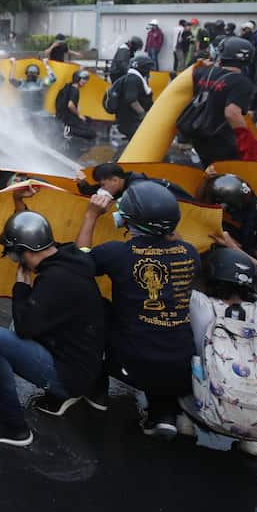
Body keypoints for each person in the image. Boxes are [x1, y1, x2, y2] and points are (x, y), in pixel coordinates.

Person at [0, 210, 107, 446]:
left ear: (28, 252)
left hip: (69, 377)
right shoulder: (68, 258)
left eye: (15, 255)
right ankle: (61, 395)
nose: (16, 260)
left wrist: (21, 287)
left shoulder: (55, 280)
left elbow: (24, 328)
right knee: (16, 322)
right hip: (84, 365)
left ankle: (12, 426)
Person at [77, 181, 200, 440]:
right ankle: (163, 413)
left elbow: (78, 265)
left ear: (127, 220)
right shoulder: (190, 253)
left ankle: (95, 387)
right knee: (161, 326)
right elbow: (171, 243)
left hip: (132, 365)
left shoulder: (117, 253)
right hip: (181, 369)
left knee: (95, 307)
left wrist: (90, 216)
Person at [180, 241, 257, 457]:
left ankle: (184, 422)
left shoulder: (199, 304)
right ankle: (255, 441)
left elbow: (178, 277)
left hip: (205, 411)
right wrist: (239, 252)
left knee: (180, 356)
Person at [183, 37, 257, 164]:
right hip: (221, 138)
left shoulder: (203, 72)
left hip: (198, 132)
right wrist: (247, 140)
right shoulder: (242, 82)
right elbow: (232, 113)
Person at [203, 172, 257, 265]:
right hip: (246, 242)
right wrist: (206, 180)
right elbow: (204, 207)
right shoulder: (248, 205)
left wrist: (239, 248)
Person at [76, 162, 196, 203]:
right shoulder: (124, 182)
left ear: (115, 180)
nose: (102, 189)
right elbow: (95, 191)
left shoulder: (137, 190)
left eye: (103, 185)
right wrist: (82, 183)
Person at [111, 52, 154, 140]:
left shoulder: (134, 77)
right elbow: (131, 99)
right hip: (130, 121)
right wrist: (143, 114)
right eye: (149, 68)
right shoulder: (133, 79)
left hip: (130, 119)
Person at [56, 69, 96, 141]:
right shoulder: (75, 91)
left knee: (88, 119)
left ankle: (69, 128)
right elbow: (70, 105)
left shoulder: (69, 86)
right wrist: (79, 115)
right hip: (68, 117)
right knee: (92, 133)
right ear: (78, 79)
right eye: (84, 79)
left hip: (62, 114)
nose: (85, 81)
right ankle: (69, 130)